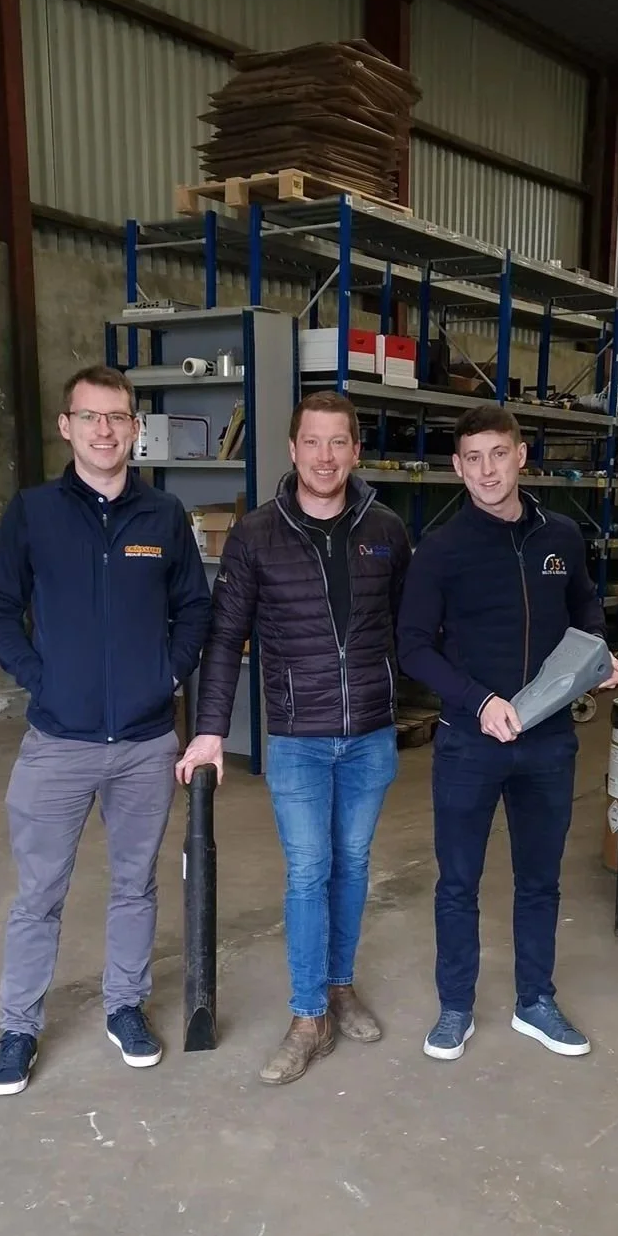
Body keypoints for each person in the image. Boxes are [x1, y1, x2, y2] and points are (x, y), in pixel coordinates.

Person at [0, 364, 211, 1096]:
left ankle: (125, 1008)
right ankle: (18, 1027)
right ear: (67, 426)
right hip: (58, 742)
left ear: (136, 427)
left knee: (134, 885)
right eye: (91, 417)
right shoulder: (34, 512)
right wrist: (42, 680)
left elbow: (196, 610)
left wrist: (165, 677)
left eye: (118, 417)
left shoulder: (164, 517)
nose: (106, 430)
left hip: (145, 744)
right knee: (40, 891)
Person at [177, 390, 411, 1085]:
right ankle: (309, 1015)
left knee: (354, 862)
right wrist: (211, 729)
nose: (325, 456)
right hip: (299, 739)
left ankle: (340, 986)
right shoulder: (256, 534)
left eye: (339, 442)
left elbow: (414, 628)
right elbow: (225, 638)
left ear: (357, 451)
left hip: (369, 734)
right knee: (309, 870)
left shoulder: (388, 530)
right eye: (313, 441)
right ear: (292, 449)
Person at [397, 404, 618, 1064]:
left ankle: (535, 1002)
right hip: (470, 741)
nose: (487, 470)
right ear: (457, 466)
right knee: (458, 881)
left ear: (521, 456)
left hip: (549, 743)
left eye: (499, 454)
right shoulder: (441, 550)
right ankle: (456, 1008)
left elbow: (583, 604)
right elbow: (413, 647)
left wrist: (599, 653)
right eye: (473, 458)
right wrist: (478, 699)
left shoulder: (562, 535)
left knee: (540, 879)